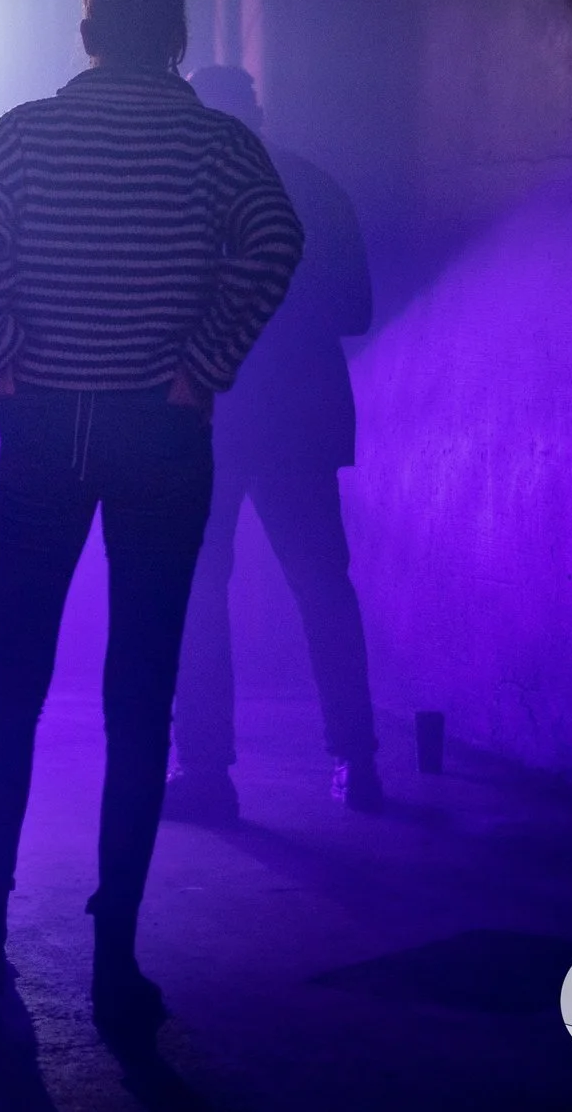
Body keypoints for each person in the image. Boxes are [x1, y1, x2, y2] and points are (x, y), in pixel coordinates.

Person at [0, 0, 302, 1030]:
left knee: (14, 682)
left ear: (87, 24)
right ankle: (113, 955)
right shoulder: (219, 144)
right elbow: (274, 243)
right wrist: (202, 366)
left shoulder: (28, 133)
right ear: (176, 30)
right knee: (140, 690)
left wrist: (2, 364)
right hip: (159, 428)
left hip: (45, 423)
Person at [166, 65, 382, 822]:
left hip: (208, 418)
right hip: (299, 416)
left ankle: (206, 773)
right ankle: (358, 761)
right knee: (324, 588)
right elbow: (355, 310)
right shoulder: (311, 183)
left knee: (197, 595)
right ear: (257, 109)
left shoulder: (181, 189)